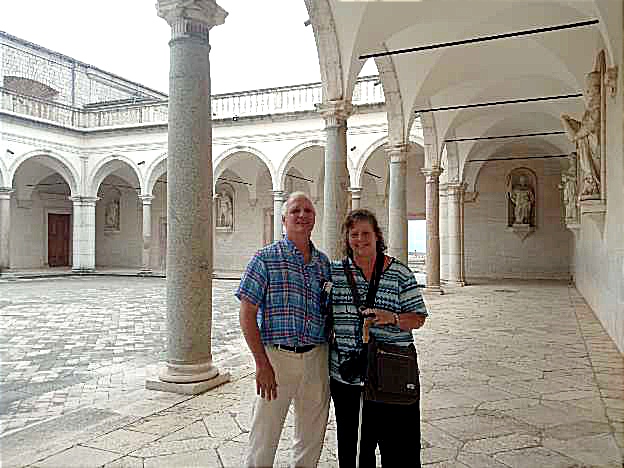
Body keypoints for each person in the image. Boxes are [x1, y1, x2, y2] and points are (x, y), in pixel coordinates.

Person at [236, 191, 332, 468]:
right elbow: (247, 313)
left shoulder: (323, 263)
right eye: (295, 211)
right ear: (284, 218)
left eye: (308, 210)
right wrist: (261, 364)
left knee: (311, 434)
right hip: (277, 358)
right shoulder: (264, 258)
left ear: (314, 217)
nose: (302, 215)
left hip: (316, 357)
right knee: (264, 434)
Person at [329, 209, 428, 467]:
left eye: (365, 233)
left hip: (391, 374)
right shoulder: (335, 273)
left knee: (399, 450)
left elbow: (418, 318)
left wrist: (392, 317)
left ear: (377, 236)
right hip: (348, 377)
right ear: (346, 238)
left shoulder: (400, 273)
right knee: (354, 449)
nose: (360, 239)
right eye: (354, 234)